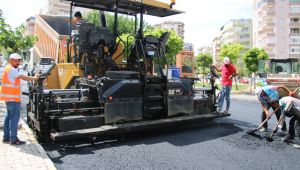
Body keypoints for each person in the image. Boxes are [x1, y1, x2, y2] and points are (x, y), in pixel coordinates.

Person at [0, 53, 40, 145]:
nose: (18, 62)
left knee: (8, 117)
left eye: (19, 60)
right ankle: (13, 139)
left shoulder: (7, 68)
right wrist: (35, 78)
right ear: (11, 60)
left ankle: (6, 137)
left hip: (9, 99)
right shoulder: (12, 70)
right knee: (14, 119)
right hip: (13, 100)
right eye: (15, 60)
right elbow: (24, 77)